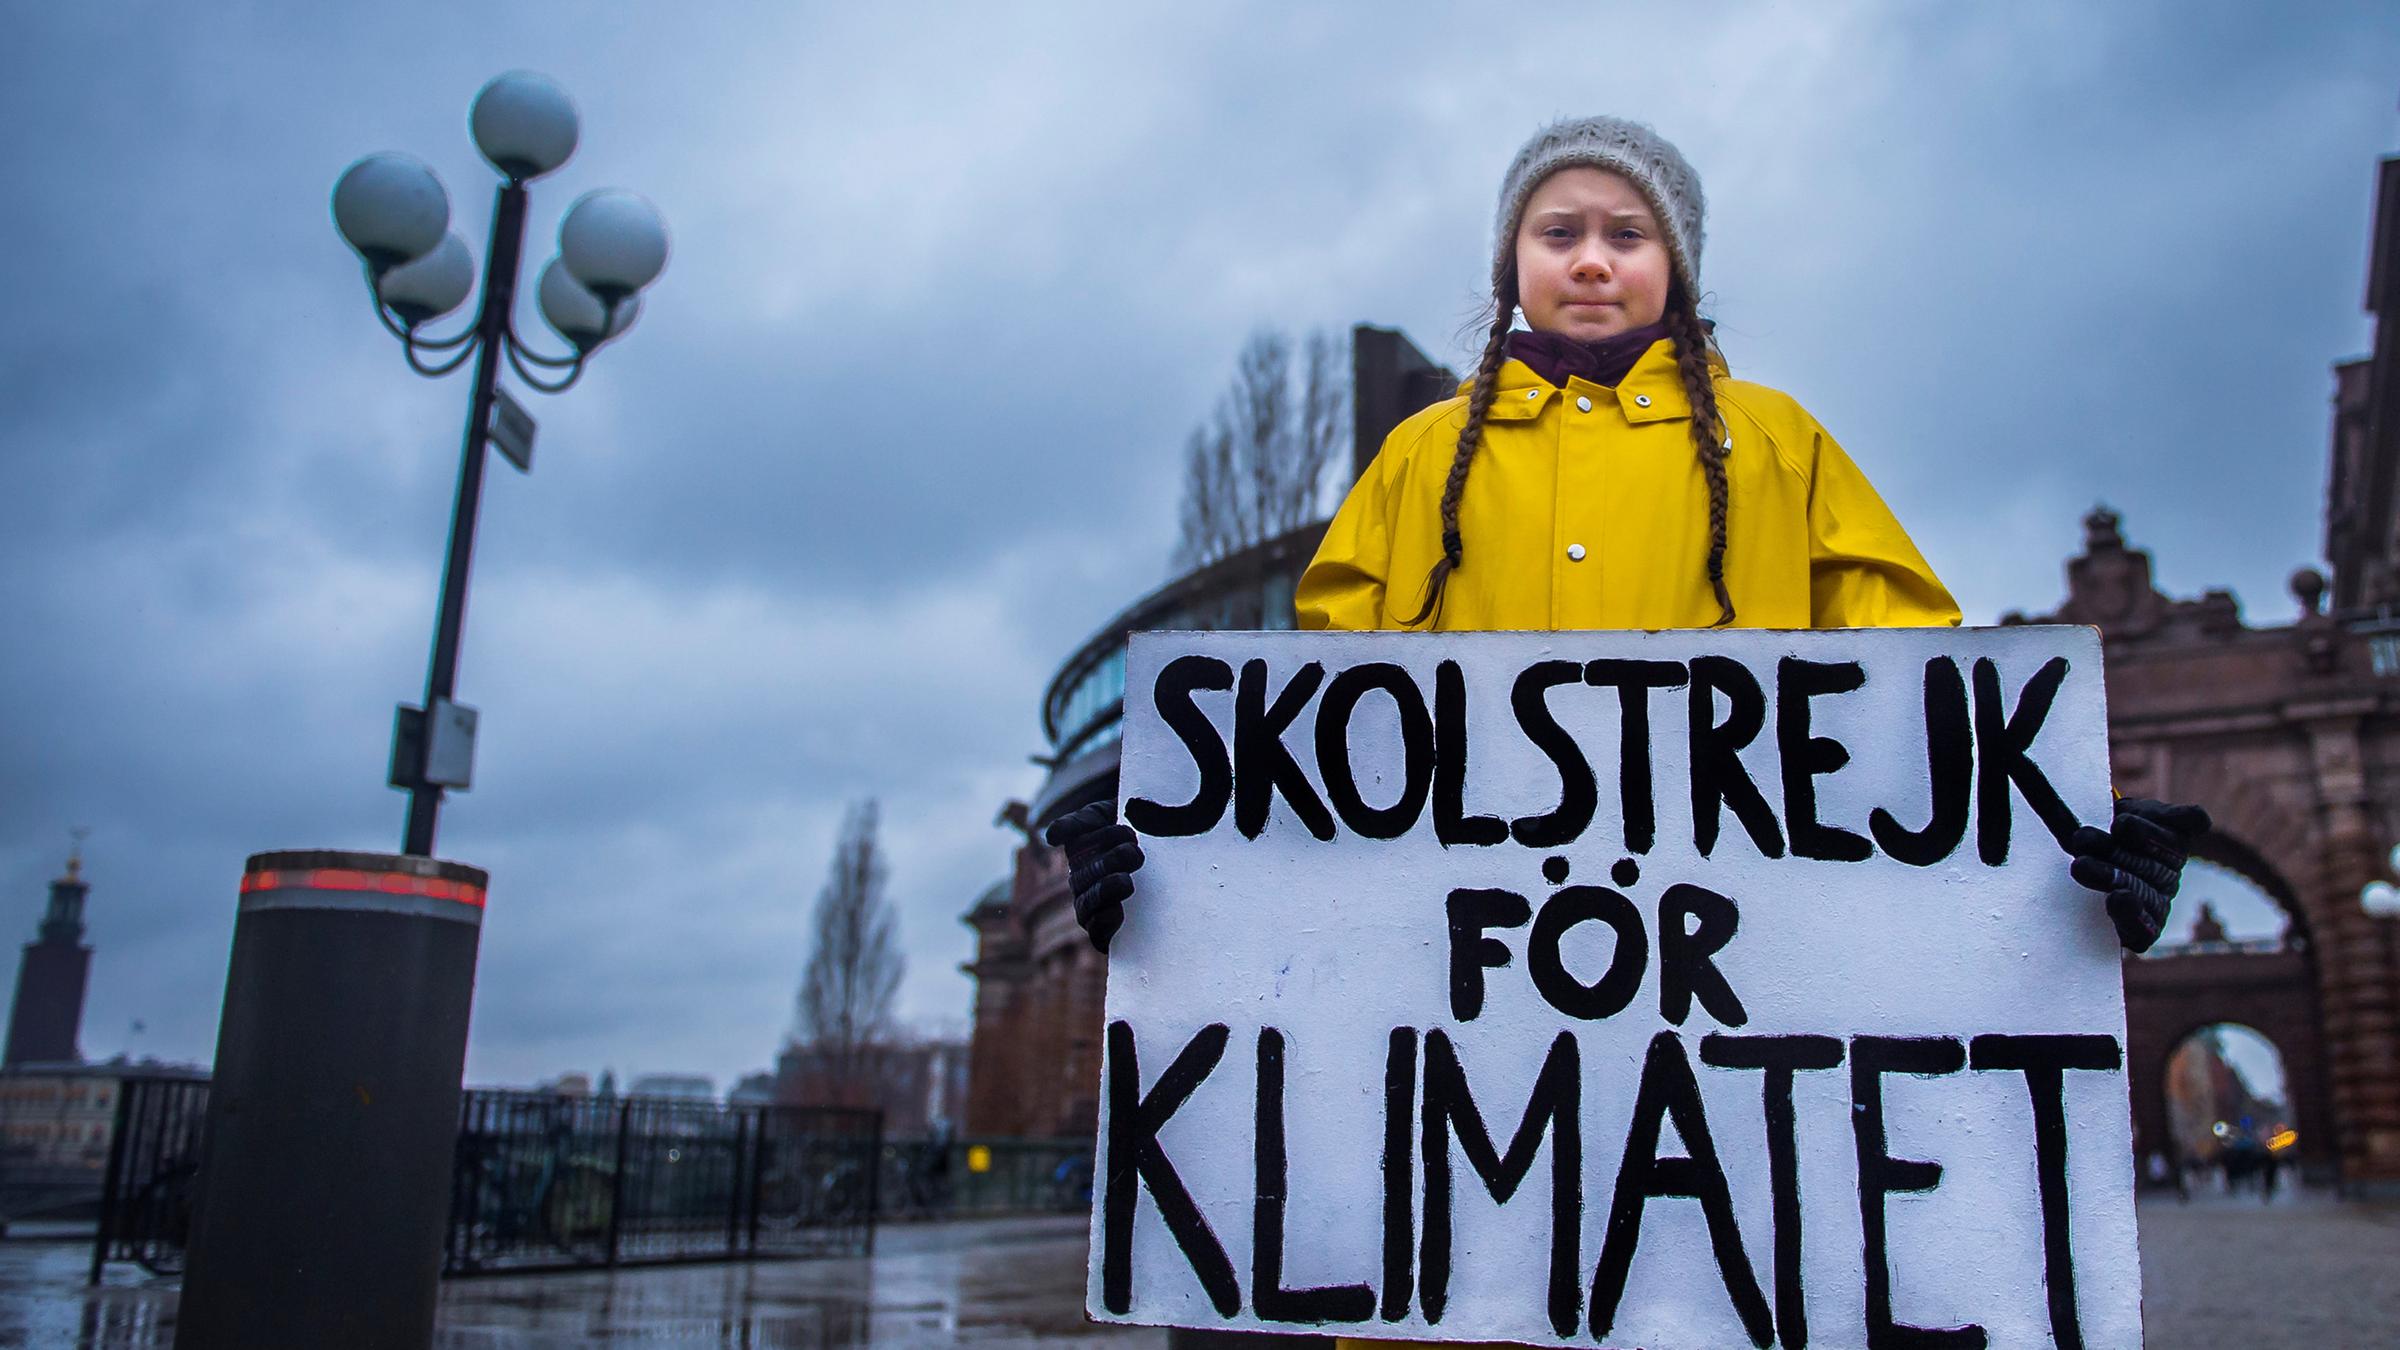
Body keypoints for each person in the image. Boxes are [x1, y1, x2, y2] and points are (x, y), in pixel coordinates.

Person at [1048, 115, 2209, 1345]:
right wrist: (1182, 874)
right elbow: (1319, 761)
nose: (1592, 259)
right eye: (1559, 232)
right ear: (1512, 267)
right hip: (1470, 1125)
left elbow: (1914, 715)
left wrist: (2053, 850)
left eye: (1627, 232)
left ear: (1680, 264)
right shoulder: (1414, 466)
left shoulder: (1783, 448)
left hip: (1731, 1112)